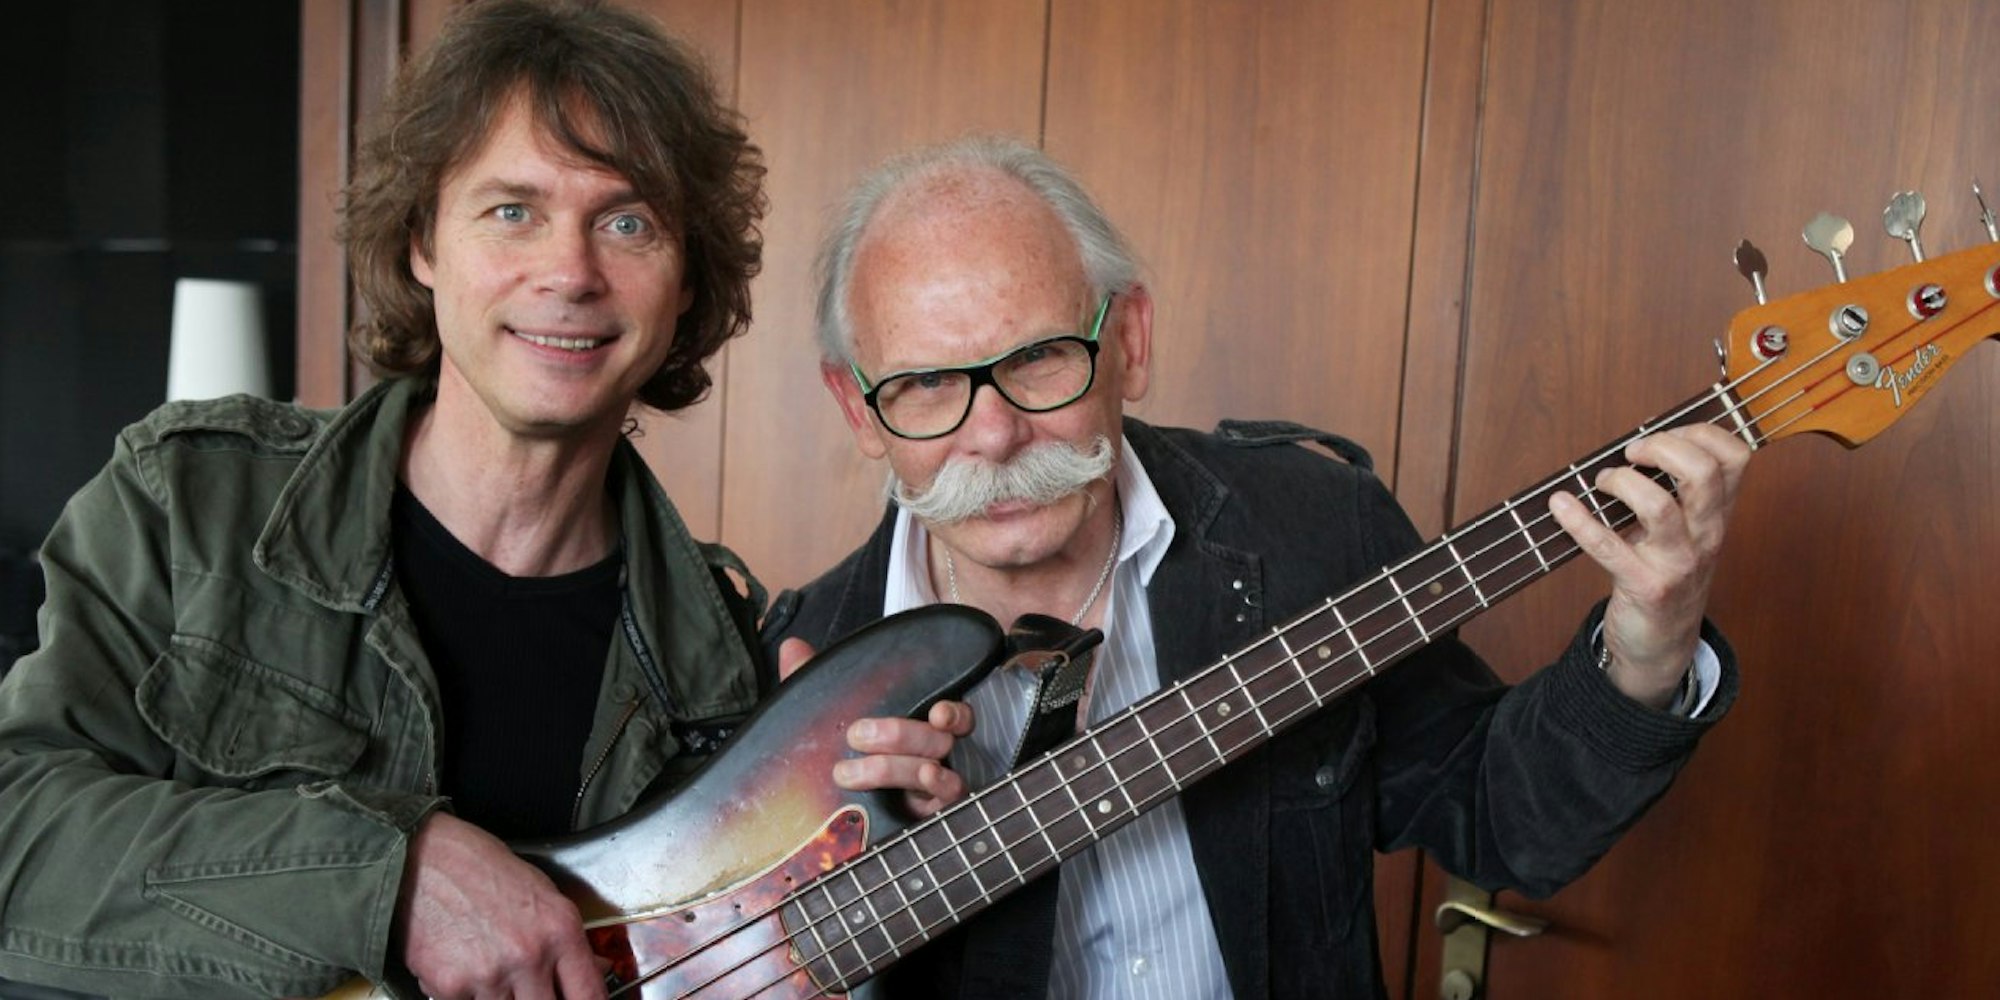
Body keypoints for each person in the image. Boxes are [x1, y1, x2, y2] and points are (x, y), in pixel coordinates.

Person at [0, 3, 967, 999]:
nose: (570, 273)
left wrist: (853, 856)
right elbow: (15, 830)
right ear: (423, 240)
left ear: (685, 280)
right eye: (513, 211)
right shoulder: (191, 503)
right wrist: (390, 878)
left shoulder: (727, 674)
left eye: (627, 222)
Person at [763, 134, 1750, 1000]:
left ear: (1129, 342)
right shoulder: (788, 684)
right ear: (857, 408)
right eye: (926, 384)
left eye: (1037, 359)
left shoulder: (1311, 528)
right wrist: (845, 899)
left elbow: (1499, 818)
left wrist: (1647, 647)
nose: (993, 434)